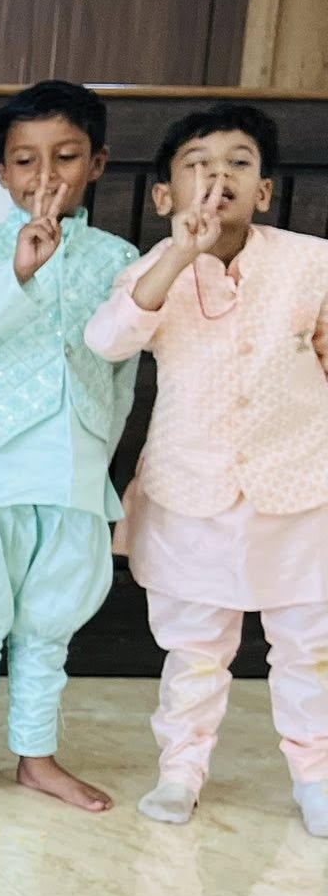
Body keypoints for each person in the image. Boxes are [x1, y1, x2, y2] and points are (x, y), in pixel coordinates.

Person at [85, 103, 328, 834]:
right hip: (191, 489)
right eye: (198, 165)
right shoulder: (151, 271)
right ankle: (181, 771)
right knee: (194, 650)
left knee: (310, 647)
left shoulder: (311, 261)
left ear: (265, 191)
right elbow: (108, 340)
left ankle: (315, 774)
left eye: (239, 164)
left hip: (299, 484)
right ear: (165, 195)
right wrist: (178, 254)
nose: (219, 177)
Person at [0, 80, 138, 812]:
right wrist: (18, 269)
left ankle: (37, 758)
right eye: (25, 160)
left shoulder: (120, 259)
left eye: (66, 156)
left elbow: (123, 372)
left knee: (49, 625)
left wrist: (99, 453)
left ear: (97, 163)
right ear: (2, 172)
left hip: (72, 468)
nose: (46, 176)